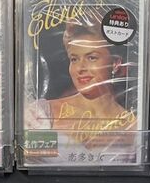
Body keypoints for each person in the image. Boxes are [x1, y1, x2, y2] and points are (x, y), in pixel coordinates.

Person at [27, 15, 135, 144]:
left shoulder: (132, 126)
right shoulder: (40, 114)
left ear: (115, 63)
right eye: (74, 59)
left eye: (92, 58)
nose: (80, 68)